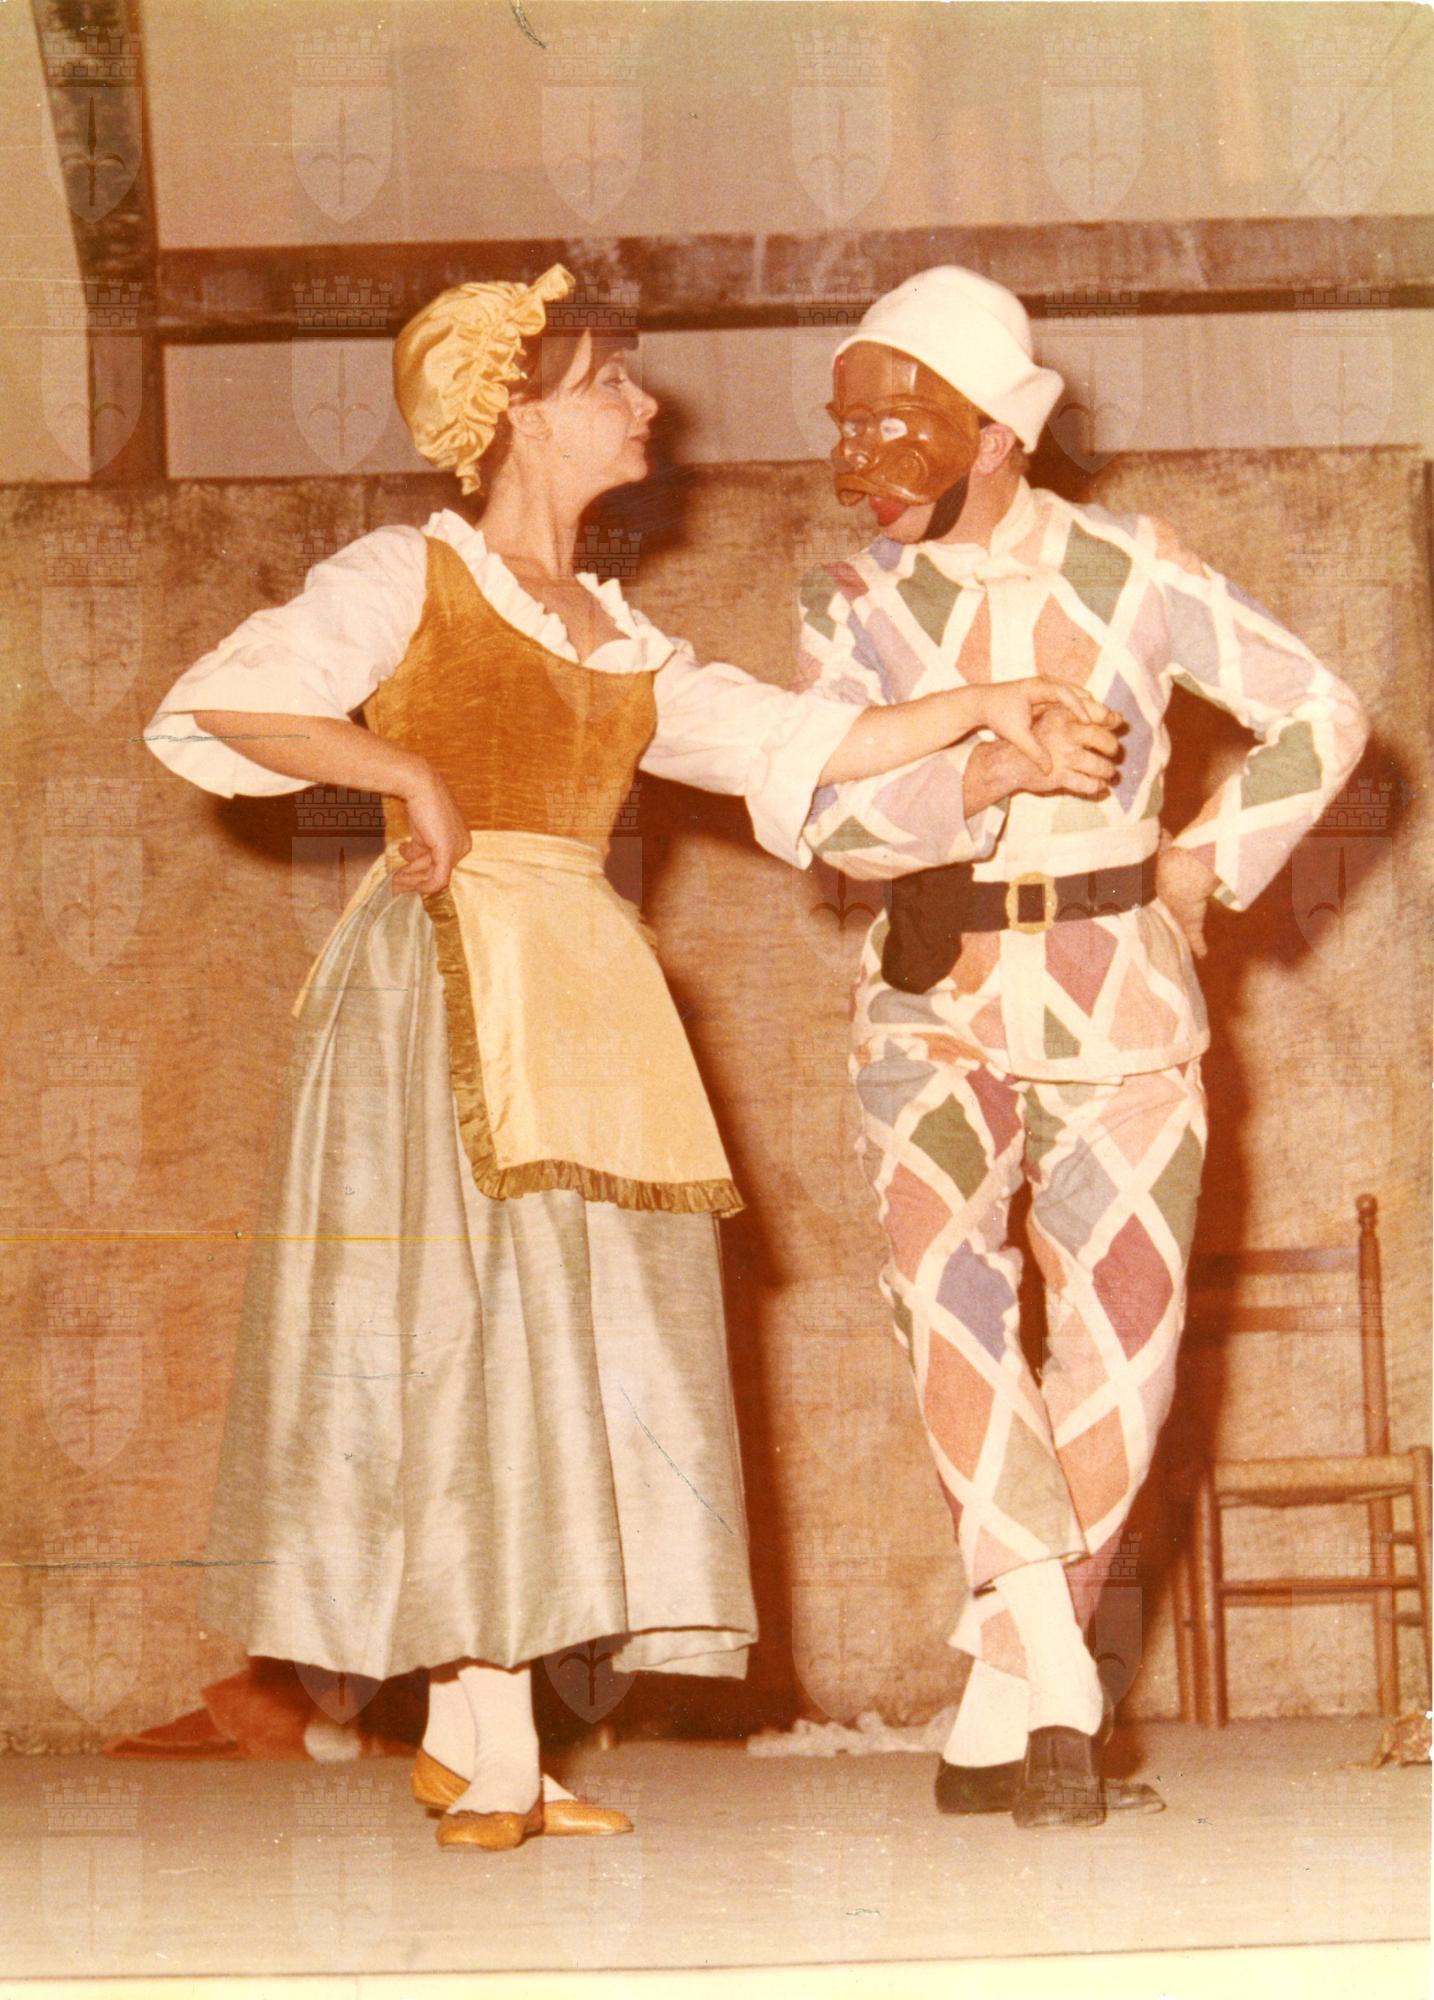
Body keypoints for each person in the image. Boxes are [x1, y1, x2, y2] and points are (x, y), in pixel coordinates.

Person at [142, 263, 1114, 1853]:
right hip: (443, 995)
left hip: (582, 999)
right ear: (519, 415)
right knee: (456, 1346)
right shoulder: (406, 572)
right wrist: (402, 770)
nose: (644, 403)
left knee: (565, 1354)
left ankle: (487, 1734)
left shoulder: (614, 631)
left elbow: (787, 742)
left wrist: (980, 705)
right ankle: (479, 1736)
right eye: (608, 381)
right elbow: (216, 709)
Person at [787, 265, 1370, 1828]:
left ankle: (1003, 1697)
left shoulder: (1132, 566)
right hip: (932, 1002)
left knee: (1122, 1347)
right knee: (949, 1304)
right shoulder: (847, 603)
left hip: (1126, 1005)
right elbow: (829, 817)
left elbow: (1321, 713)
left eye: (896, 426)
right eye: (845, 427)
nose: (860, 460)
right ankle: (1056, 1669)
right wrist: (978, 776)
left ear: (994, 433)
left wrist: (1204, 864)